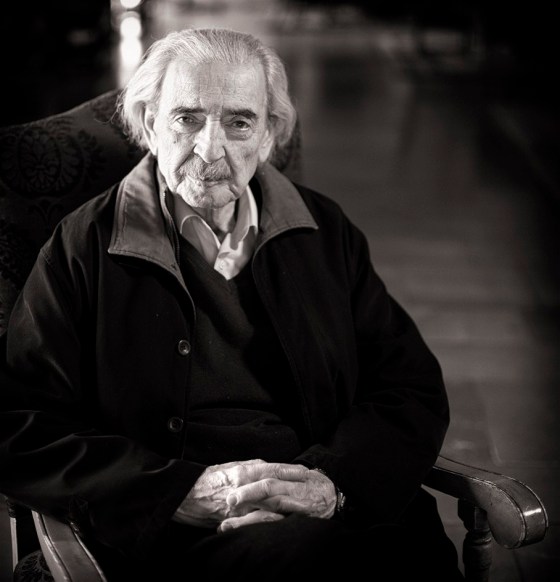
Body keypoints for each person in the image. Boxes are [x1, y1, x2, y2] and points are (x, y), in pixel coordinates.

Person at [0, 28, 464, 580]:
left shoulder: (323, 230)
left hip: (332, 514)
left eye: (239, 122)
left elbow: (408, 386)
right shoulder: (83, 246)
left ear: (268, 137)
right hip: (188, 539)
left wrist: (332, 484)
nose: (209, 150)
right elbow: (20, 422)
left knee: (405, 555)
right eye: (187, 118)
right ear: (150, 124)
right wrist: (176, 493)